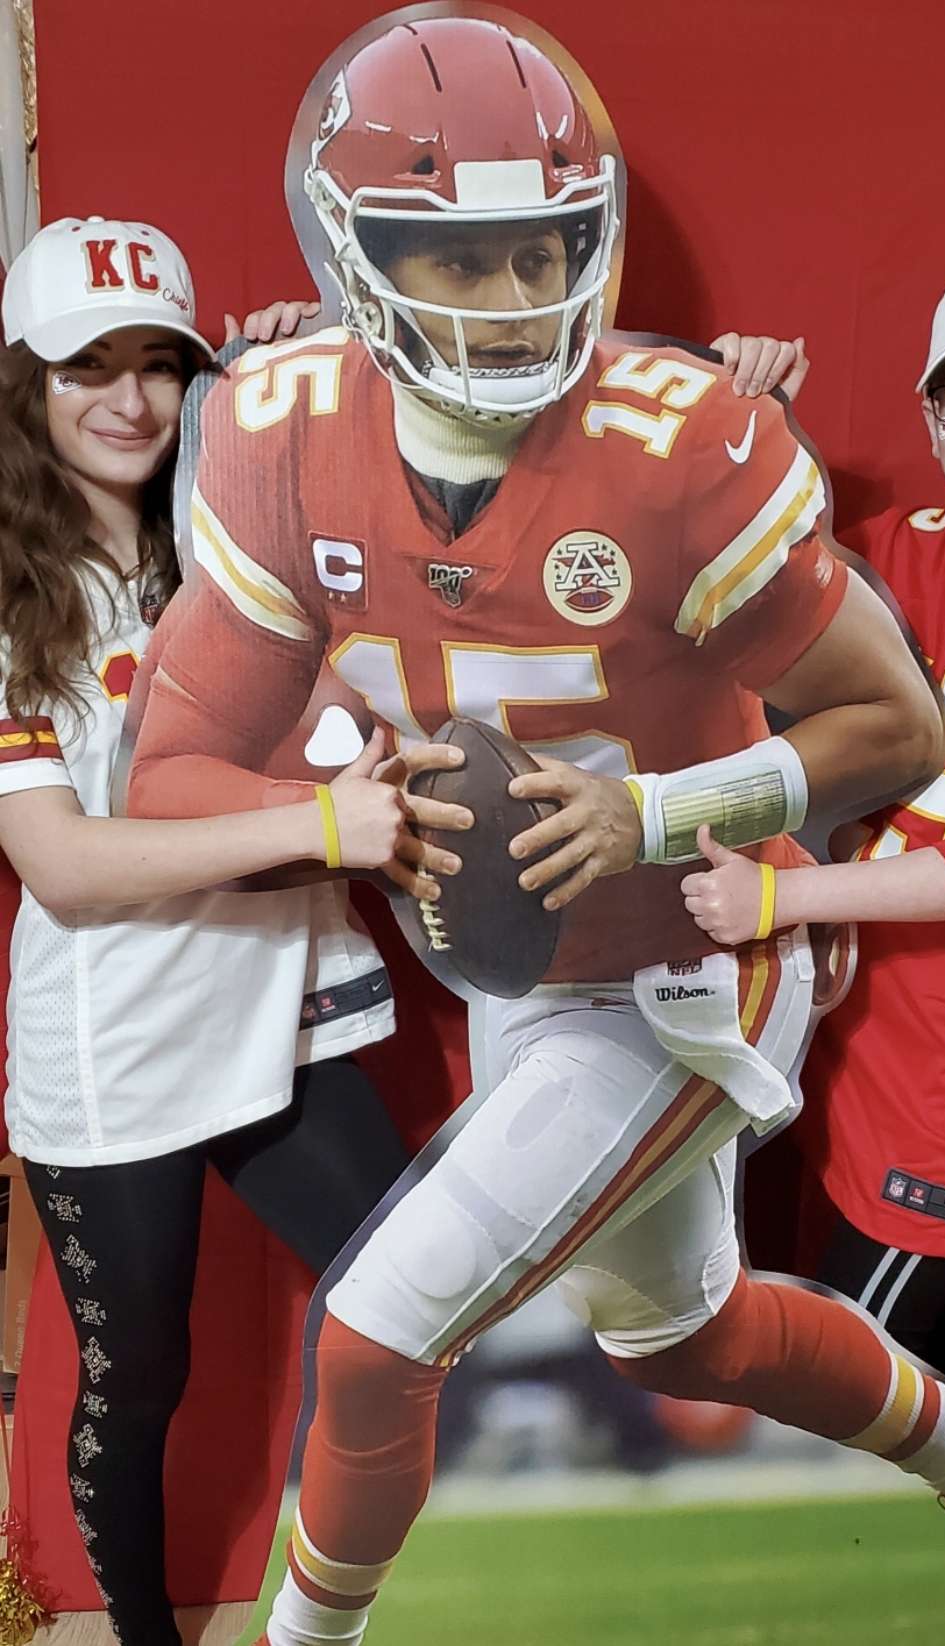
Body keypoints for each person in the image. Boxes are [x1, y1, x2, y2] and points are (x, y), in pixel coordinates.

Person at [120, 22, 945, 1646]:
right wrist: (341, 817)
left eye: (541, 251)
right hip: (519, 965)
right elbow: (174, 776)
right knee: (680, 1333)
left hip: (697, 952)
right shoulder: (278, 432)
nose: (509, 300)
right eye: (457, 256)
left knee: (374, 1329)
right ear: (355, 250)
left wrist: (654, 805)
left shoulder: (683, 443)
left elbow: (892, 728)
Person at [0, 214, 466, 1646]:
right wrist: (320, 831)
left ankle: (367, 1613)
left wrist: (305, 386)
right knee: (141, 1377)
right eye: (89, 366)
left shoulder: (248, 536)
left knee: (418, 1312)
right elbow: (64, 867)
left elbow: (449, 498)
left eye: (162, 364)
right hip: (118, 1042)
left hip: (287, 1008)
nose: (128, 400)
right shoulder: (12, 598)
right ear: (26, 384)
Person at [693, 272, 945, 1390]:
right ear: (930, 418)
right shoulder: (913, 544)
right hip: (862, 1049)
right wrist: (752, 420)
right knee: (939, 1378)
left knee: (838, 1386)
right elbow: (776, 585)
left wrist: (781, 900)